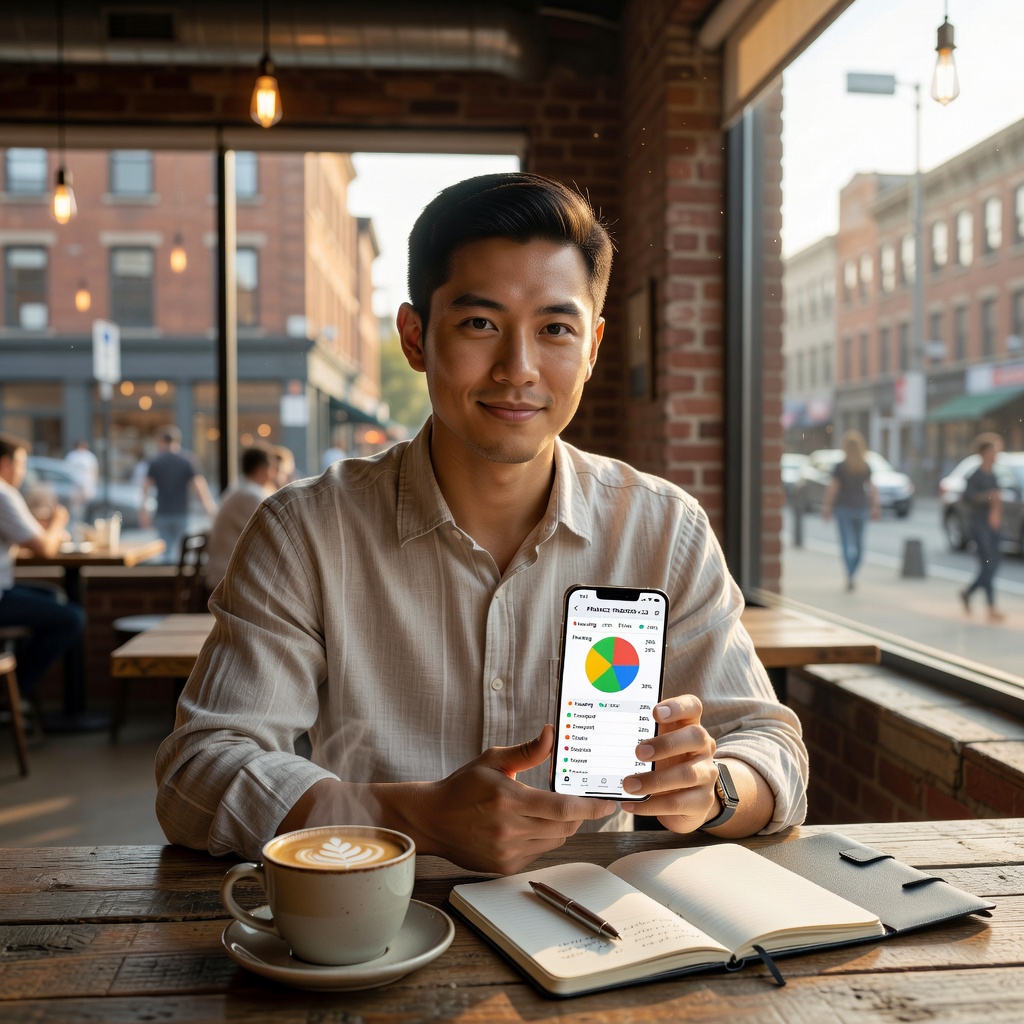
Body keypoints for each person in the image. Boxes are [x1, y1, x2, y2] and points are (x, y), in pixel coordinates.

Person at [155, 172, 807, 874]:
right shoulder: (308, 530)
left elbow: (773, 751)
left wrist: (711, 790)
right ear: (414, 337)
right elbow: (197, 773)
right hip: (376, 925)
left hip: (597, 943)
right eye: (479, 324)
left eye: (556, 329)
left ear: (591, 348)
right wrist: (411, 819)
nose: (518, 369)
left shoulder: (660, 528)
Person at [0, 433, 86, 700]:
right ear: (5, 464)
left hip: (5, 588)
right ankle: (12, 694)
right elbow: (45, 549)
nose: (23, 474)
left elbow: (27, 538)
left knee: (53, 596)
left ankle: (14, 686)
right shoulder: (4, 493)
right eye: (22, 465)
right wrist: (60, 520)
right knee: (72, 618)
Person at [140, 426, 218, 564]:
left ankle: (169, 583)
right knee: (182, 551)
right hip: (181, 512)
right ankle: (179, 582)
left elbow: (146, 487)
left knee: (167, 552)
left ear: (162, 441)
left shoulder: (156, 461)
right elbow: (199, 486)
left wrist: (144, 511)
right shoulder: (187, 460)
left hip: (162, 512)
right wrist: (209, 508)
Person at [203, 447, 275, 592]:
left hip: (227, 572)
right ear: (263, 470)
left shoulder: (241, 490)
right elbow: (274, 536)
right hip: (228, 578)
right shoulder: (250, 496)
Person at [821, 430, 880, 591]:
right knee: (860, 545)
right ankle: (852, 573)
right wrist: (875, 506)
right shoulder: (864, 465)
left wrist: (827, 507)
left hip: (844, 507)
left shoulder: (841, 467)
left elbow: (832, 488)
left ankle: (850, 574)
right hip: (861, 507)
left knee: (846, 543)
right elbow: (872, 488)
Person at [959, 433, 1005, 623]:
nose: (996, 454)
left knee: (993, 564)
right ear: (985, 452)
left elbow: (996, 500)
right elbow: (968, 498)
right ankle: (989, 606)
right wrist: (989, 497)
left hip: (992, 524)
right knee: (989, 564)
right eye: (993, 450)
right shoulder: (975, 476)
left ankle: (970, 594)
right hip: (979, 525)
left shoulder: (993, 474)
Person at [64, 439, 99, 521]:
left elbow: (94, 470)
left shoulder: (89, 456)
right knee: (74, 506)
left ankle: (84, 521)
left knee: (85, 505)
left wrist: (93, 482)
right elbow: (66, 469)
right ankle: (75, 521)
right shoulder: (72, 456)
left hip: (87, 484)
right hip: (74, 484)